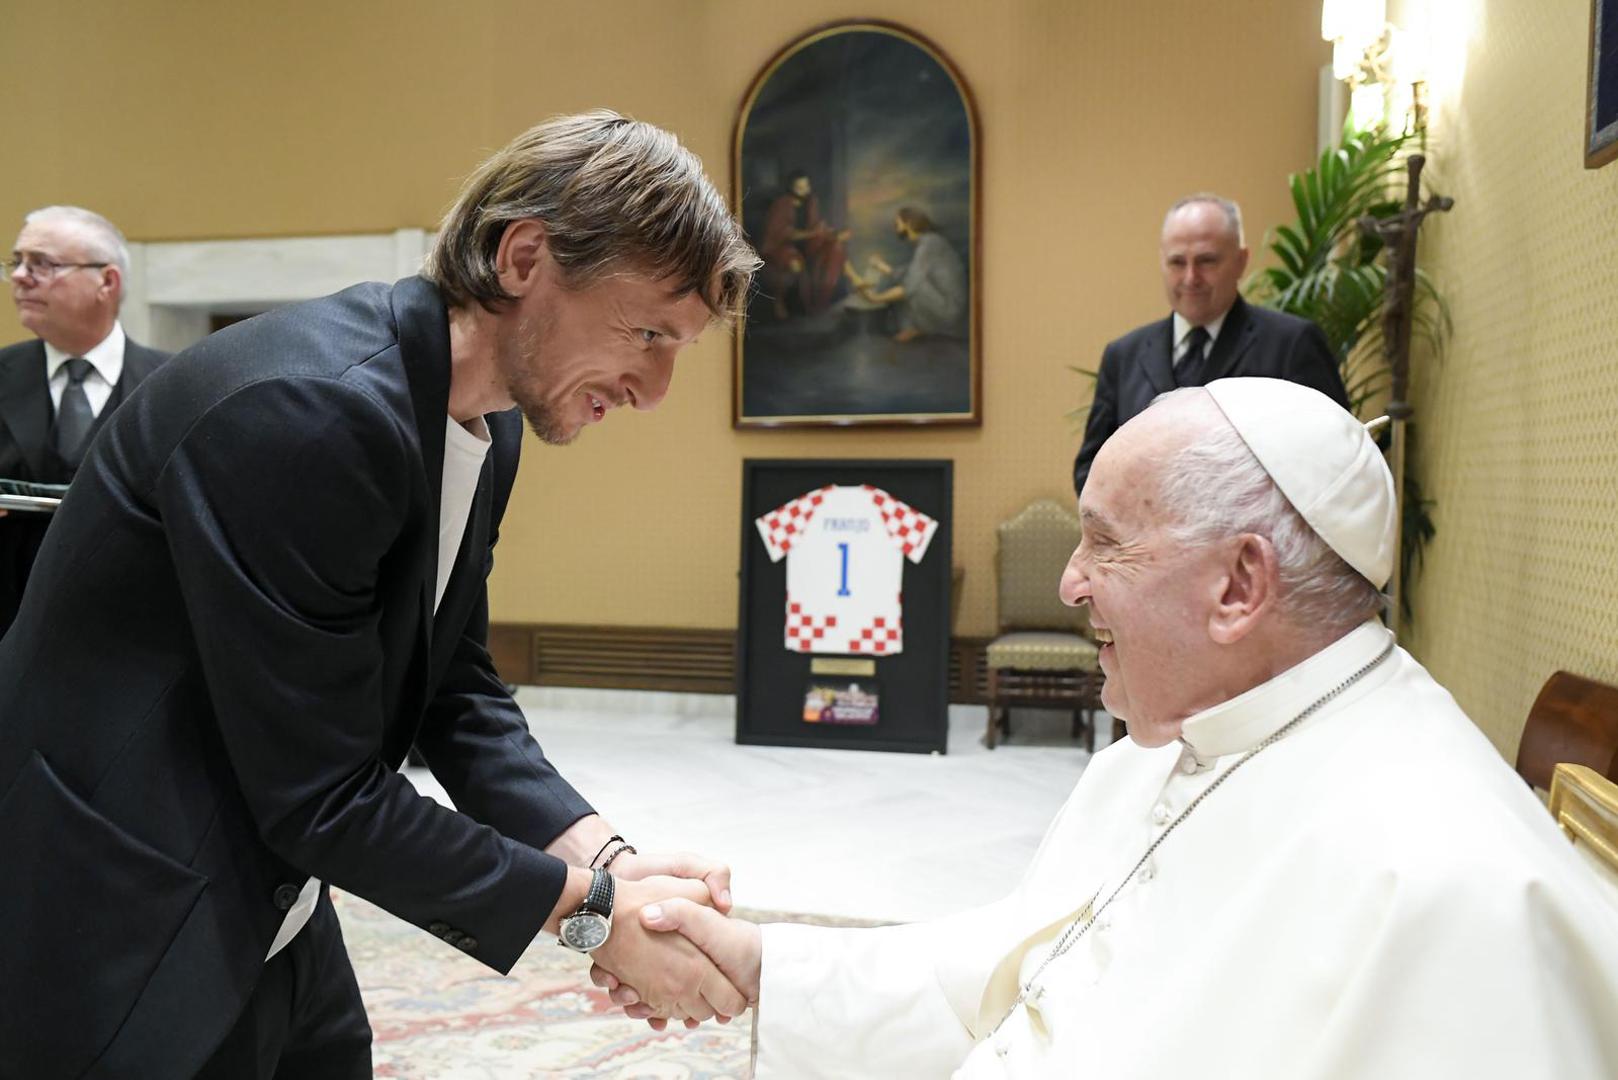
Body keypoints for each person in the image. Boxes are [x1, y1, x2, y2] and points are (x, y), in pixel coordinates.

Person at [0, 111, 760, 1079]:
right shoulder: (308, 413)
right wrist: (591, 920)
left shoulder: (484, 423)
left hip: (270, 890)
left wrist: (607, 861)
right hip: (118, 902)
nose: (654, 390)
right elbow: (323, 794)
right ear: (523, 257)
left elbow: (455, 689)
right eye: (647, 330)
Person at [601, 378, 1618, 1078]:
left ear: (1237, 585)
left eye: (1106, 545)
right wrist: (761, 963)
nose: (1067, 582)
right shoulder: (1180, 743)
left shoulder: (1456, 890)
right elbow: (1020, 973)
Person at [1072, 193, 1348, 502]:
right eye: (1177, 262)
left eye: (1206, 261)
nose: (1191, 278)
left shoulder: (1292, 344)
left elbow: (1334, 461)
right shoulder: (1123, 356)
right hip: (1145, 548)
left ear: (1241, 261)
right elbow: (1091, 470)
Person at [0, 206, 168, 636]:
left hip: (129, 634)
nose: (20, 276)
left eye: (42, 263)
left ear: (106, 282)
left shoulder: (171, 384)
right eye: (16, 262)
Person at [850, 207, 967, 342]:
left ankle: (914, 329)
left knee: (911, 286)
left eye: (897, 223)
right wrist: (880, 266)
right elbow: (909, 272)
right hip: (945, 302)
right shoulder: (928, 242)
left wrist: (876, 298)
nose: (895, 227)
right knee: (909, 280)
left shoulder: (929, 244)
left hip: (950, 308)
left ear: (909, 224)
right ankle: (913, 328)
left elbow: (911, 285)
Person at [759, 170, 851, 320]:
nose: (804, 190)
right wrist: (812, 233)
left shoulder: (811, 202)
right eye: (799, 187)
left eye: (806, 186)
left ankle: (820, 304)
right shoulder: (782, 204)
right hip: (782, 247)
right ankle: (781, 302)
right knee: (795, 264)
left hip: (808, 245)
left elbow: (817, 227)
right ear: (791, 188)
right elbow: (781, 234)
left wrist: (834, 235)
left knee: (836, 249)